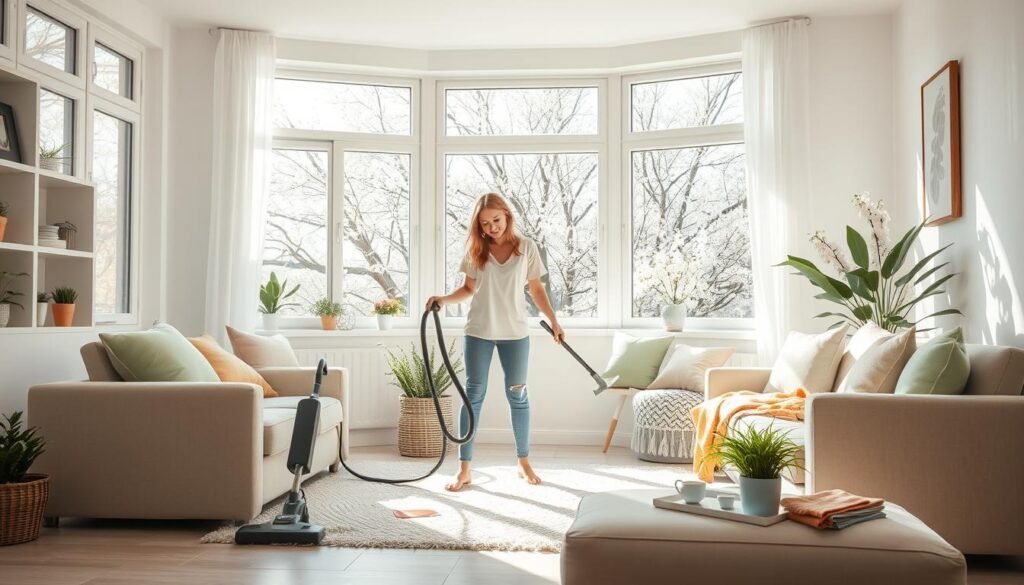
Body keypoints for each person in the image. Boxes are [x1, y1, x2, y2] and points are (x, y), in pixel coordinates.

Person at [426, 192, 565, 492]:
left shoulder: (526, 247)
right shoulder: (476, 249)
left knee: (518, 396)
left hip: (515, 334)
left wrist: (553, 320)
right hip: (478, 332)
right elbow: (468, 289)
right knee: (472, 396)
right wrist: (443, 300)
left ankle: (523, 461)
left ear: (507, 215)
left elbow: (536, 289)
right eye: (485, 223)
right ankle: (464, 469)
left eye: (496, 220)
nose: (492, 228)